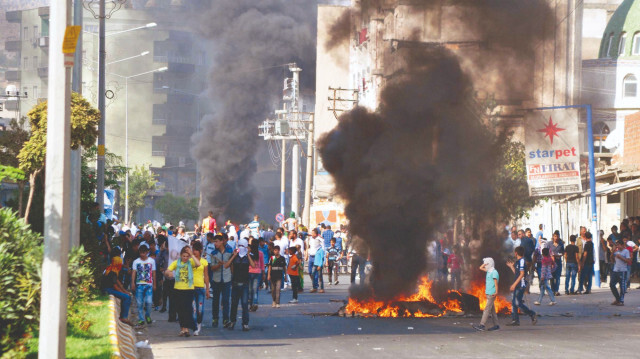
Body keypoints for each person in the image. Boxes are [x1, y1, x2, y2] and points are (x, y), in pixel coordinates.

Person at [165, 246, 201, 337]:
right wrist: (169, 273)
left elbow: (198, 264)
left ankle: (187, 329)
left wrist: (192, 254)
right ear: (180, 255)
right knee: (180, 310)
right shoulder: (176, 263)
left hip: (188, 289)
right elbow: (167, 271)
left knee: (188, 310)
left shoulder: (191, 262)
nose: (185, 258)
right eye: (183, 256)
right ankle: (183, 329)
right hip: (178, 288)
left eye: (187, 256)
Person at [229, 238, 257, 331]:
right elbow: (226, 265)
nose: (241, 247)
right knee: (234, 304)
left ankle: (245, 323)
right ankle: (232, 322)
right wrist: (234, 255)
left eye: (243, 246)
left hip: (245, 283)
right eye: (239, 245)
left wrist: (248, 254)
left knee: (245, 304)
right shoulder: (234, 256)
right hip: (235, 283)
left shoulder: (248, 256)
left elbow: (253, 265)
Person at [506, 246, 537, 326]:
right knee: (514, 303)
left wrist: (514, 284)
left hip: (520, 286)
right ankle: (515, 320)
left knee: (518, 303)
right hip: (518, 285)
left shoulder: (522, 261)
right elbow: (517, 274)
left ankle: (532, 314)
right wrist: (511, 267)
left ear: (516, 253)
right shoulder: (518, 262)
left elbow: (522, 274)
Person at [209, 234, 233, 328]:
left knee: (226, 300)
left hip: (227, 279)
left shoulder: (229, 251)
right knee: (215, 301)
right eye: (214, 242)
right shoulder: (213, 253)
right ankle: (215, 318)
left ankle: (226, 319)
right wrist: (219, 265)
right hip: (216, 280)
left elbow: (231, 265)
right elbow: (212, 268)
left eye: (217, 241)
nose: (215, 243)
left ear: (222, 241)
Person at [102, 256, 134, 326]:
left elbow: (117, 282)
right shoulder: (112, 272)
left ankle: (123, 316)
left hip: (108, 288)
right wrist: (124, 293)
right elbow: (115, 286)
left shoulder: (110, 269)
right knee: (126, 297)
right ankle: (124, 317)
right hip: (108, 289)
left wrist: (125, 291)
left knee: (126, 295)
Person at [472, 257, 500, 331]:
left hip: (492, 293)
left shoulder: (494, 272)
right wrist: (485, 263)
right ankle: (496, 325)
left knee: (487, 309)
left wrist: (496, 292)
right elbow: (480, 267)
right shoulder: (489, 271)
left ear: (490, 264)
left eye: (487, 263)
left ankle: (482, 325)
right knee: (492, 310)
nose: (485, 265)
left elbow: (496, 283)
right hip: (488, 293)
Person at [131, 244, 156, 326]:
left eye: (144, 253)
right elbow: (133, 272)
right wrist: (133, 283)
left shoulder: (151, 261)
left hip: (149, 284)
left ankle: (147, 315)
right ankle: (141, 319)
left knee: (149, 302)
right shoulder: (136, 261)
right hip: (139, 285)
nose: (142, 254)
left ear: (147, 252)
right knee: (139, 303)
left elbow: (154, 273)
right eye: (141, 253)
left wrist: (154, 284)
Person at [191, 241, 209, 336]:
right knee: (193, 309)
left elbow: (206, 276)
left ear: (200, 251)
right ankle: (195, 327)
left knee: (200, 310)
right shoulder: (190, 261)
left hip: (201, 288)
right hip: (191, 288)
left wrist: (207, 289)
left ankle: (199, 323)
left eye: (196, 250)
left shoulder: (204, 262)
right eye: (193, 250)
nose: (194, 252)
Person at [610, 239, 631, 306]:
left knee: (622, 286)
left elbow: (628, 261)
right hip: (615, 270)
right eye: (617, 245)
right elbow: (612, 259)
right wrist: (613, 251)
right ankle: (617, 298)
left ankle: (621, 301)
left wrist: (621, 257)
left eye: (618, 245)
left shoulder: (626, 251)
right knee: (612, 284)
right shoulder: (617, 252)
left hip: (622, 271)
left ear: (622, 245)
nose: (618, 246)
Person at [248, 237, 264, 312]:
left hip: (249, 272)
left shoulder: (250, 253)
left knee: (250, 289)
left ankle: (251, 304)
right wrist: (263, 274)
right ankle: (254, 303)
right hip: (258, 272)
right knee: (255, 289)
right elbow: (262, 265)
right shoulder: (260, 253)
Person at [549, 231, 564, 296]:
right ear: (553, 236)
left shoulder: (561, 244)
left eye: (557, 236)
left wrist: (559, 255)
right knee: (552, 277)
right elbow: (546, 252)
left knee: (557, 277)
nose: (556, 238)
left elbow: (563, 252)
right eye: (555, 236)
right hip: (551, 263)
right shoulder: (549, 244)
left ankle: (556, 290)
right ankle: (552, 290)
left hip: (558, 262)